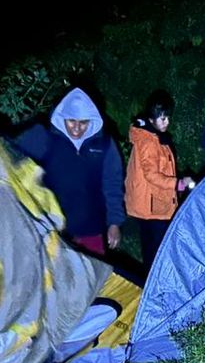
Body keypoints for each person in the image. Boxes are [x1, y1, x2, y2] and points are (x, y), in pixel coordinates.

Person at [13, 87, 125, 255]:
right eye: (71, 121)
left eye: (83, 123)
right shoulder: (44, 138)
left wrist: (114, 223)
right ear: (62, 117)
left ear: (91, 120)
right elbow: (14, 156)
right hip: (53, 229)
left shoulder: (104, 145)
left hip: (91, 228)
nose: (77, 128)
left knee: (91, 270)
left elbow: (113, 184)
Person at [124, 89, 195, 270]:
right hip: (151, 208)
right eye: (163, 118)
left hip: (156, 204)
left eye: (168, 117)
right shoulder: (148, 141)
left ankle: (152, 281)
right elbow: (152, 175)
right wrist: (178, 183)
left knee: (155, 253)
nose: (167, 122)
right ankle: (153, 284)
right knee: (156, 255)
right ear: (152, 118)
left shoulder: (156, 137)